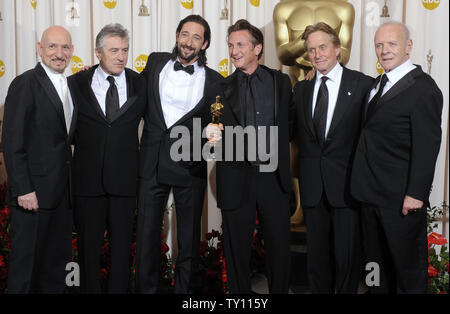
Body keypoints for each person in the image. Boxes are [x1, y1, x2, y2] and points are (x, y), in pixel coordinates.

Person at [351, 21, 443, 293]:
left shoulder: (423, 88)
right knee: (374, 269)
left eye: (392, 43)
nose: (384, 50)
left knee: (406, 271)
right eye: (379, 45)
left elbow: (428, 147)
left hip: (400, 199)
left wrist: (416, 194)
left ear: (408, 46)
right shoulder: (378, 83)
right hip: (369, 195)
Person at [136, 15, 223, 294]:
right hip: (152, 162)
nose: (188, 42)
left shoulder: (216, 82)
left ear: (205, 43)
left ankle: (185, 294)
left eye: (196, 37)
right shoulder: (154, 62)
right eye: (185, 34)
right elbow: (130, 90)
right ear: (176, 36)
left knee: (188, 238)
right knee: (147, 235)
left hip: (189, 165)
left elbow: (222, 122)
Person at [205, 19, 292, 294]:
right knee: (236, 252)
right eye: (230, 45)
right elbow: (206, 130)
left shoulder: (281, 82)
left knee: (278, 250)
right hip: (235, 178)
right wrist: (206, 133)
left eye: (240, 44)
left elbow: (292, 126)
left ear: (258, 48)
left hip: (272, 176)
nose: (233, 51)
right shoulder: (218, 87)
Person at [292, 22, 373, 294]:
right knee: (316, 261)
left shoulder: (363, 85)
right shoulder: (301, 90)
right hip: (313, 189)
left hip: (348, 188)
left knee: (347, 260)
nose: (317, 54)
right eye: (311, 50)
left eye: (323, 47)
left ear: (337, 49)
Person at [68, 23, 146, 293]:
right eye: (114, 50)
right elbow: (66, 130)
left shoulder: (140, 83)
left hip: (125, 183)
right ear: (98, 53)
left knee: (123, 252)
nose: (121, 56)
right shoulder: (75, 84)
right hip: (87, 183)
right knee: (88, 253)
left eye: (124, 50)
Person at [2, 26, 75, 293]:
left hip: (62, 196)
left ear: (72, 52)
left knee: (56, 270)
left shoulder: (71, 86)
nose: (59, 53)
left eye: (65, 47)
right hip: (32, 196)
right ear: (39, 48)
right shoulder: (25, 84)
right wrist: (23, 189)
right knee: (25, 270)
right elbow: (12, 142)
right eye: (52, 46)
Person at [273, 0, 355, 84]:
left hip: (330, 80)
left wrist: (321, 68)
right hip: (297, 80)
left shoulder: (345, 9)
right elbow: (282, 57)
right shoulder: (283, 9)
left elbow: (344, 53)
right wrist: (303, 43)